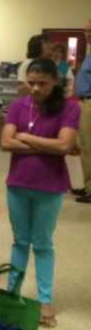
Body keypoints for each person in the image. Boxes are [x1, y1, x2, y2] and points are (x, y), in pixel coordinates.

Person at [0, 58, 80, 328]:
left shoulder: (69, 108)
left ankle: (44, 300)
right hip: (18, 184)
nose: (35, 88)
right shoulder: (17, 106)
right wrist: (48, 146)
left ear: (55, 81)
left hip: (50, 186)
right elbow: (5, 142)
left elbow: (65, 146)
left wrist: (26, 138)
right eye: (31, 82)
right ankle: (12, 293)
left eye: (42, 83)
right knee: (20, 242)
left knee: (43, 245)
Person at [72, 21, 91, 203]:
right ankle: (88, 186)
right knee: (84, 146)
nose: (88, 34)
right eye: (86, 31)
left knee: (89, 147)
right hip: (84, 103)